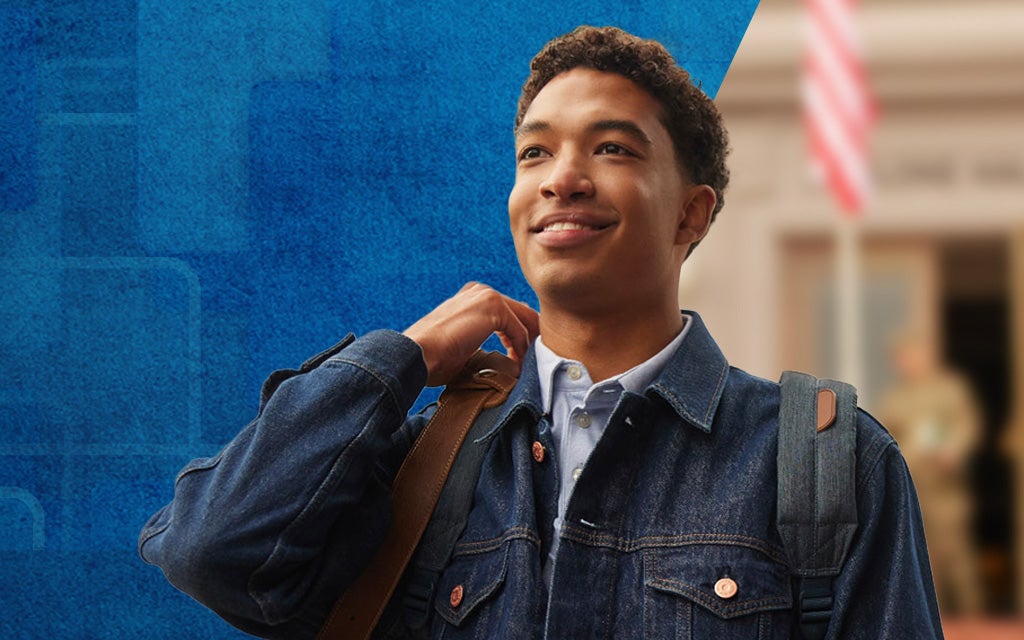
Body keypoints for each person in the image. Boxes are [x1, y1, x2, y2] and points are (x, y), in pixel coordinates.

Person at [140, 26, 942, 639]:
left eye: (612, 147)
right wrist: (402, 359)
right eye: (534, 153)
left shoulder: (829, 465)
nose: (562, 176)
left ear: (692, 214)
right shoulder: (418, 466)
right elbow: (210, 550)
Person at [878, 333, 984, 615]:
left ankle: (974, 618)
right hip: (914, 486)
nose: (907, 363)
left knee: (957, 555)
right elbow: (885, 438)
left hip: (945, 486)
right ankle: (933, 620)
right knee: (921, 557)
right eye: (901, 359)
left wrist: (955, 449)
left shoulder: (950, 389)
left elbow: (968, 424)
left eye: (912, 355)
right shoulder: (896, 398)